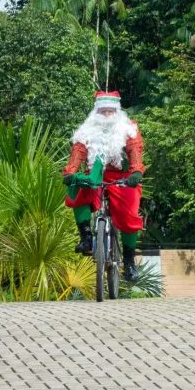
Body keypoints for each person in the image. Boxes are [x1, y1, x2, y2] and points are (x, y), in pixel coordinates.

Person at [62, 90, 144, 282]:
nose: (107, 115)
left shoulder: (128, 129)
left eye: (110, 111)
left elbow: (135, 151)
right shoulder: (86, 131)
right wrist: (71, 173)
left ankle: (129, 262)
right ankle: (87, 238)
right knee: (78, 191)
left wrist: (136, 172)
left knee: (129, 213)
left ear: (117, 111)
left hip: (122, 177)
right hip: (94, 176)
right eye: (103, 111)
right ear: (96, 112)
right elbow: (77, 153)